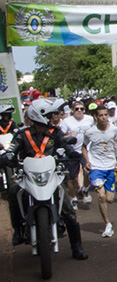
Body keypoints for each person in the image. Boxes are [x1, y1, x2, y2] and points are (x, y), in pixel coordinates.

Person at [2, 98, 88, 259]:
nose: (53, 117)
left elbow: (64, 145)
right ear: (39, 115)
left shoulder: (55, 133)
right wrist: (7, 156)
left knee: (68, 209)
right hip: (29, 176)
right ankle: (18, 231)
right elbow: (12, 149)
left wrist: (72, 153)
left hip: (51, 176)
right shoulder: (22, 134)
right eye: (49, 115)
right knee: (14, 191)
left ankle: (77, 247)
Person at [82, 106, 117, 238]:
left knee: (109, 199)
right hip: (96, 167)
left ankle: (107, 222)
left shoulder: (114, 129)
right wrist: (87, 160)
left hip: (110, 166)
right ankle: (107, 224)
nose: (104, 118)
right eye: (101, 115)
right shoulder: (90, 132)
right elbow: (84, 146)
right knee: (101, 196)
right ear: (96, 117)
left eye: (106, 115)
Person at [61, 100, 95, 208]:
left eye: (82, 109)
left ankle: (84, 189)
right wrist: (70, 135)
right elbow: (60, 137)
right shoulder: (66, 121)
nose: (79, 111)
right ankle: (73, 198)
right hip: (72, 152)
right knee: (72, 178)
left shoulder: (90, 119)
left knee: (88, 171)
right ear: (72, 110)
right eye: (77, 109)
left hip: (86, 150)